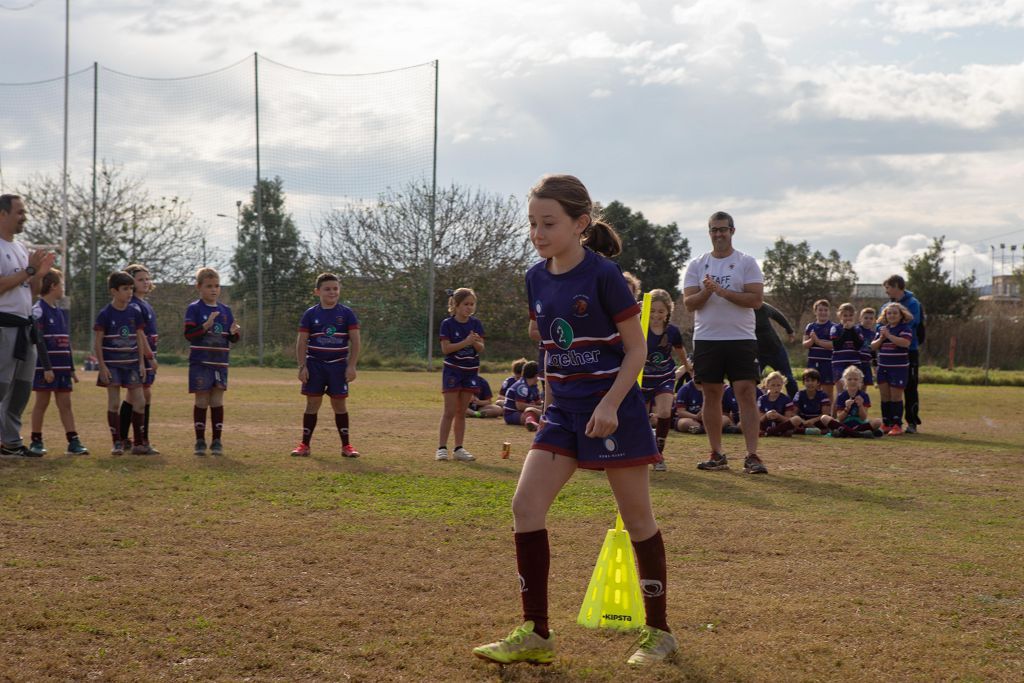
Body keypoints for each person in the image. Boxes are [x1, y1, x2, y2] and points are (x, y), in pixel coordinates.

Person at [473, 175, 676, 667]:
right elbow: (547, 346)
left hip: (615, 410)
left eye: (549, 223)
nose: (538, 233)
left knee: (637, 519)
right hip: (562, 412)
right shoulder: (534, 276)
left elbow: (637, 350)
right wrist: (546, 398)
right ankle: (537, 633)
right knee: (526, 505)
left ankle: (660, 633)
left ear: (580, 224)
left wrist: (609, 405)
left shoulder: (605, 275)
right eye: (532, 223)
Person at [682, 211, 768, 474]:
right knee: (711, 394)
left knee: (745, 392)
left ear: (732, 230)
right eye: (714, 230)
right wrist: (707, 291)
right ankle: (716, 453)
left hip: (741, 337)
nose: (718, 234)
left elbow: (756, 300)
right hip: (707, 338)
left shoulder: (747, 262)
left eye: (723, 229)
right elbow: (688, 304)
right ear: (709, 232)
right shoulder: (697, 265)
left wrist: (723, 292)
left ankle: (752, 455)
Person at [0, 194, 56, 458]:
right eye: (19, 212)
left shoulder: (21, 249)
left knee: (21, 390)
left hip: (24, 327)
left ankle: (10, 443)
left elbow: (30, 293)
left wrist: (39, 275)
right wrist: (30, 272)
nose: (25, 216)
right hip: (4, 326)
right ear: (2, 214)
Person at [290, 273, 361, 457]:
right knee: (312, 403)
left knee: (339, 404)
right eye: (327, 289)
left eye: (335, 289)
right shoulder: (310, 314)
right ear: (317, 291)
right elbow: (301, 342)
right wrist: (302, 366)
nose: (332, 292)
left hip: (338, 366)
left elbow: (356, 341)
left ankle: (346, 446)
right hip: (315, 366)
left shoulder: (346, 314)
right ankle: (304, 445)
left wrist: (351, 366)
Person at [94, 271, 155, 455]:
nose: (129, 293)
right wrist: (102, 366)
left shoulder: (134, 312)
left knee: (140, 402)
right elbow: (97, 342)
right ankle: (117, 442)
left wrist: (142, 363)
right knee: (113, 403)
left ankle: (138, 443)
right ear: (114, 291)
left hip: (132, 365)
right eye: (125, 289)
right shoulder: (105, 314)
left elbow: (138, 337)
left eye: (130, 288)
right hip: (113, 366)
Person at [29, 269, 88, 456]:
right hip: (46, 368)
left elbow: (65, 341)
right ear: (53, 286)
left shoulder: (60, 311)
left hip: (62, 369)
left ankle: (73, 441)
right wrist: (47, 367)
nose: (63, 288)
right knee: (42, 403)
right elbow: (38, 340)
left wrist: (70, 368)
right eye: (61, 284)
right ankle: (36, 440)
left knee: (65, 404)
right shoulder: (38, 310)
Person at [184, 267, 239, 456]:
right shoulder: (194, 309)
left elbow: (233, 338)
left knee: (216, 400)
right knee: (201, 400)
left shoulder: (226, 310)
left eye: (216, 286)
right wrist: (206, 325)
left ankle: (217, 441)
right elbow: (189, 335)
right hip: (200, 362)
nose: (214, 289)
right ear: (199, 287)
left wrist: (234, 333)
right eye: (209, 286)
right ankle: (199, 441)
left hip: (220, 363)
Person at [436, 287, 484, 462]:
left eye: (472, 304)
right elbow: (446, 349)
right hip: (453, 371)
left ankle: (458, 448)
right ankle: (441, 448)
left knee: (461, 412)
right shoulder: (447, 324)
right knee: (449, 411)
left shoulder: (476, 324)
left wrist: (476, 342)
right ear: (455, 305)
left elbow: (481, 348)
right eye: (466, 304)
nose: (469, 308)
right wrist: (466, 342)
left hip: (470, 371)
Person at [641, 288, 686, 471]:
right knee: (641, 418)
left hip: (664, 377)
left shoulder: (672, 331)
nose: (656, 315)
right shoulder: (640, 328)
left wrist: (688, 367)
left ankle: (658, 454)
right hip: (642, 378)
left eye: (661, 311)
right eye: (652, 311)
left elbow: (680, 350)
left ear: (668, 311)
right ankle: (644, 450)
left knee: (665, 411)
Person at [118, 264, 159, 454]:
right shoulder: (134, 305)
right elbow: (139, 335)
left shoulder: (145, 304)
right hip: (139, 357)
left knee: (134, 397)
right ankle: (141, 440)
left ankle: (123, 438)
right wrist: (149, 356)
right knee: (143, 396)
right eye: (140, 279)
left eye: (147, 279)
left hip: (146, 355)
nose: (145, 282)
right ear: (131, 283)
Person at [883, 275, 923, 433]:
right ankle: (892, 422)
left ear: (897, 286)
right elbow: (881, 323)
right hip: (888, 354)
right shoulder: (886, 305)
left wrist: (894, 333)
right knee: (889, 390)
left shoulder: (913, 304)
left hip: (909, 351)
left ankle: (912, 422)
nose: (886, 291)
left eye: (888, 288)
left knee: (910, 387)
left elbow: (913, 323)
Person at [871, 302, 914, 435]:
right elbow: (873, 346)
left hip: (898, 368)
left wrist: (889, 336)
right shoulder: (882, 329)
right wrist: (882, 338)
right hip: (883, 367)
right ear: (885, 315)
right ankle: (886, 423)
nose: (892, 315)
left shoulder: (905, 328)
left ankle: (897, 425)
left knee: (896, 397)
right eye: (889, 313)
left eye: (895, 313)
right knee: (885, 396)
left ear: (901, 315)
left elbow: (905, 343)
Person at [754, 300, 798, 397]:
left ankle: (795, 405)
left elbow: (777, 315)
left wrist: (789, 330)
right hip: (757, 353)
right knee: (753, 381)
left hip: (776, 350)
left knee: (789, 379)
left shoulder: (762, 306)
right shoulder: (740, 310)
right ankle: (759, 405)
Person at [830, 365, 883, 438]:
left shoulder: (864, 395)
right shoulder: (841, 396)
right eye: (849, 379)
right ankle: (860, 433)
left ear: (860, 381)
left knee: (878, 421)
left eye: (855, 379)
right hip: (845, 423)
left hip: (859, 423)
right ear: (845, 381)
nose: (853, 381)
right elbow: (840, 418)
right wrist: (847, 408)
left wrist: (860, 405)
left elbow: (863, 418)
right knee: (824, 418)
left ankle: (845, 432)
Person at [803, 299, 836, 404]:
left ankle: (829, 417)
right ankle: (814, 414)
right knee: (812, 391)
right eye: (820, 310)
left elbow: (833, 345)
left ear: (829, 312)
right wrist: (812, 340)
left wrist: (817, 341)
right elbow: (804, 344)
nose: (823, 312)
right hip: (812, 363)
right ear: (815, 312)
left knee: (827, 393)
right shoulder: (810, 326)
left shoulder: (833, 327)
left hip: (827, 363)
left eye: (825, 310)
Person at [830, 303, 865, 390]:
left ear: (854, 316)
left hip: (854, 363)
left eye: (850, 315)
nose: (848, 318)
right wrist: (846, 330)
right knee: (841, 392)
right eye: (845, 315)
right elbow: (836, 345)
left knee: (855, 391)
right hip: (839, 363)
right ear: (840, 315)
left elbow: (858, 346)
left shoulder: (857, 329)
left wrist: (851, 329)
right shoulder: (835, 328)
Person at [792, 368, 837, 434]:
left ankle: (808, 431)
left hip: (818, 421)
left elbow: (825, 414)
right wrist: (804, 422)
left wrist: (812, 421)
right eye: (807, 380)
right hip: (803, 421)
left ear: (818, 383)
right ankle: (817, 431)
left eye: (813, 381)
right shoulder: (799, 394)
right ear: (803, 382)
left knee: (826, 419)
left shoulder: (823, 395)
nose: (810, 383)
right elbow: (794, 413)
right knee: (793, 421)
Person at [758, 371, 800, 436]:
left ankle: (769, 432)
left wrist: (778, 416)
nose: (776, 388)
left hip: (780, 425)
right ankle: (778, 432)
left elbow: (787, 419)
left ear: (782, 385)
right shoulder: (762, 399)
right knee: (748, 422)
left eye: (778, 385)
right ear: (767, 385)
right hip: (765, 425)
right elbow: (760, 419)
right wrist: (766, 416)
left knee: (797, 419)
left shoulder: (786, 399)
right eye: (773, 385)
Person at [502, 361, 542, 430]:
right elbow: (520, 406)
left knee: (541, 412)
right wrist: (538, 408)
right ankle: (531, 422)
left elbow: (538, 402)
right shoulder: (522, 387)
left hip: (522, 411)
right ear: (536, 374)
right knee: (530, 411)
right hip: (512, 414)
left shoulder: (533, 386)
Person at [857, 307, 877, 389]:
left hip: (866, 363)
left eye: (871, 318)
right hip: (856, 362)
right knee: (854, 386)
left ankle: (862, 401)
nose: (868, 320)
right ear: (860, 318)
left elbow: (873, 352)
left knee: (863, 387)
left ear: (874, 320)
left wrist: (875, 367)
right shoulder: (856, 330)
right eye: (866, 318)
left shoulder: (873, 334)